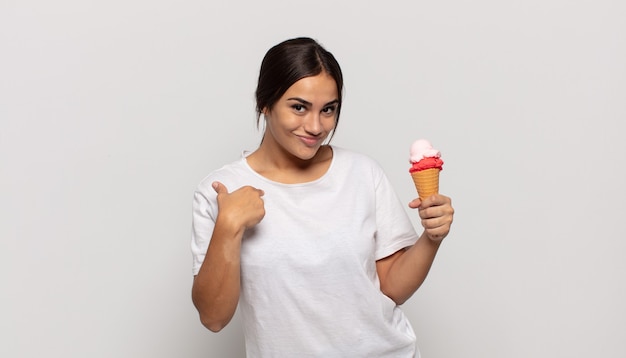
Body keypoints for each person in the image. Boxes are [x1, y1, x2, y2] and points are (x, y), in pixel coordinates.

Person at [191, 37, 454, 357]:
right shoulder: (221, 190)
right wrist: (228, 226)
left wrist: (431, 236)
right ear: (265, 103)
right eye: (299, 107)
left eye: (328, 109)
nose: (315, 126)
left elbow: (391, 289)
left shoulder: (362, 173)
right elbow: (214, 317)